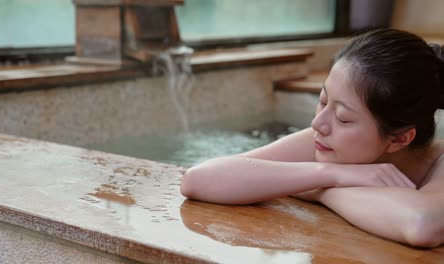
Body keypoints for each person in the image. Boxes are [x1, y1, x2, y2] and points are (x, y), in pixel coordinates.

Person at [180, 28, 444, 248]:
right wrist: (330, 174)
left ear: (399, 139)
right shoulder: (323, 143)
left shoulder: (439, 160)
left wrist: (316, 189)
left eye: (343, 118)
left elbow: (422, 225)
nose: (318, 123)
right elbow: (198, 180)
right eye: (323, 100)